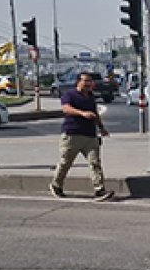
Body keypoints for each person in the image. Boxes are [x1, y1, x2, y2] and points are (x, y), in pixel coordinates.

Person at [49, 73, 115, 202]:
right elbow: (66, 109)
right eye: (86, 81)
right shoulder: (69, 95)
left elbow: (95, 112)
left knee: (95, 163)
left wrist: (101, 127)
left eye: (90, 81)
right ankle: (56, 185)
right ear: (79, 82)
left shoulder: (90, 96)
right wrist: (82, 113)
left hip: (90, 135)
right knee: (66, 162)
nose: (88, 83)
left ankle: (99, 190)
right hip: (72, 134)